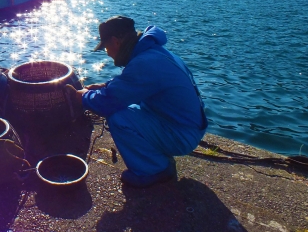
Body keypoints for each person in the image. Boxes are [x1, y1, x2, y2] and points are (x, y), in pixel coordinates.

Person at [66, 16, 207, 187]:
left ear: (116, 42)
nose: (108, 53)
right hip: (184, 125)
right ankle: (156, 157)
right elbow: (132, 83)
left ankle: (154, 169)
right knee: (128, 106)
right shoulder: (152, 52)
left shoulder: (145, 63)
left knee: (118, 117)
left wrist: (80, 97)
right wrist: (105, 85)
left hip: (183, 135)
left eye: (106, 48)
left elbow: (108, 102)